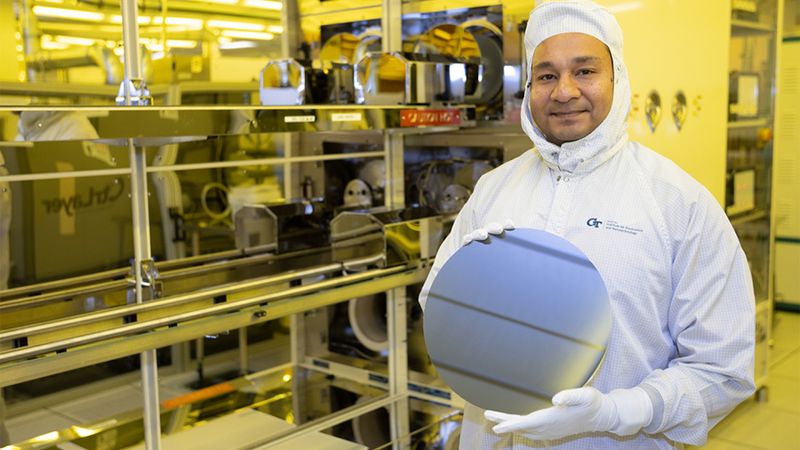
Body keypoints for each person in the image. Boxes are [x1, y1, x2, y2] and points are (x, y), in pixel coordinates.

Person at [418, 1, 755, 449]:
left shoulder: (680, 204)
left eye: (585, 71)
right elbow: (437, 308)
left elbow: (723, 370)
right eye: (547, 75)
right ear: (531, 87)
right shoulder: (495, 189)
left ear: (618, 79)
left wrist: (618, 411)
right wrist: (464, 287)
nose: (564, 92)